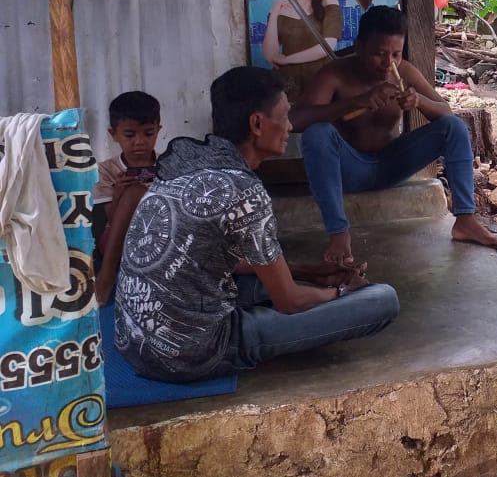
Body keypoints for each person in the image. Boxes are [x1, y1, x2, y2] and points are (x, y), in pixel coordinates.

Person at [113, 67, 399, 383]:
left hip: (133, 344)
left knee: (271, 284)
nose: (290, 126)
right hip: (190, 355)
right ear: (257, 124)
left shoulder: (184, 163)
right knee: (382, 299)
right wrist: (340, 291)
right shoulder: (244, 190)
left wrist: (309, 272)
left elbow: (215, 258)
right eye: (285, 116)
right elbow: (288, 302)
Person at [290, 5, 497, 267]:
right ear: (359, 46)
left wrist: (419, 102)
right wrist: (355, 102)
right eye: (379, 54)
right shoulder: (335, 74)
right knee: (318, 133)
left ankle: (465, 220)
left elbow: (445, 111)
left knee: (453, 127)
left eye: (395, 54)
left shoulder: (403, 72)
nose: (387, 63)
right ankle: (338, 233)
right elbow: (295, 120)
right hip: (349, 170)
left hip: (391, 165)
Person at [92, 91, 162, 306]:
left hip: (161, 235)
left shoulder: (169, 165)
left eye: (148, 133)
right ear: (113, 134)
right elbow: (107, 219)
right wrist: (120, 195)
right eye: (130, 135)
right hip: (118, 242)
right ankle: (106, 276)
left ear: (158, 131)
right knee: (134, 193)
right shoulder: (106, 170)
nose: (139, 142)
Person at [262, 0, 343, 102]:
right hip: (287, 87)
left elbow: (327, 47)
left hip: (322, 83)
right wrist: (274, 12)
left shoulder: (329, 4)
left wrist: (287, 59)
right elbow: (269, 54)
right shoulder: (280, 8)